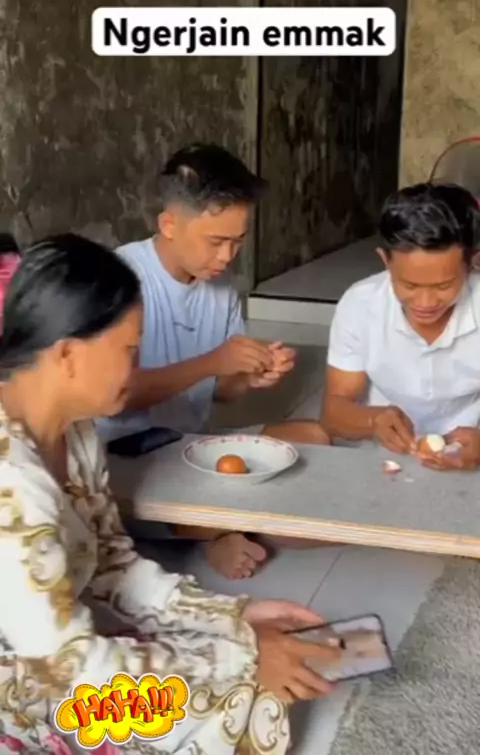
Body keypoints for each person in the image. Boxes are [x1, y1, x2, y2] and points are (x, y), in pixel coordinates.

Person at [0, 232, 340, 754]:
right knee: (230, 697)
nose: (137, 368)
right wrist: (246, 658)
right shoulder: (11, 486)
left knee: (240, 675)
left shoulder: (78, 431)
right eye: (129, 351)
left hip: (61, 649)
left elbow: (113, 564)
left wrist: (235, 618)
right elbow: (72, 671)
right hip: (33, 681)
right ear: (67, 354)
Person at [98, 144, 329, 579]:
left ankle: (220, 528)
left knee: (312, 437)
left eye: (237, 241)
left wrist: (251, 377)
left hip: (191, 446)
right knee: (295, 512)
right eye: (216, 242)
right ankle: (217, 534)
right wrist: (212, 361)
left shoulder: (221, 287)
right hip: (126, 457)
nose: (227, 256)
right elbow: (113, 397)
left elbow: (220, 391)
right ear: (169, 224)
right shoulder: (119, 279)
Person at [321, 183, 480, 471]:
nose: (425, 302)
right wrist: (372, 421)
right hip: (385, 458)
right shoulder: (360, 305)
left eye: (444, 285)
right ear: (385, 260)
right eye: (409, 285)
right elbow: (334, 412)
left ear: (471, 264)